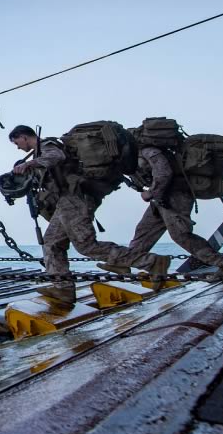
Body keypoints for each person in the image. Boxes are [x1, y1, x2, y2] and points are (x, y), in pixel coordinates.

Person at [10, 125, 171, 305]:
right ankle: (63, 288)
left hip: (75, 199)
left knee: (86, 245)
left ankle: (151, 262)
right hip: (67, 201)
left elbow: (57, 157)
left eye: (17, 142)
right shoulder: (42, 151)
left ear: (23, 136)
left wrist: (29, 164)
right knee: (52, 242)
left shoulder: (47, 145)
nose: (18, 147)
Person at [101, 138, 223, 277]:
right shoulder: (134, 154)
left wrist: (151, 192)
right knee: (144, 231)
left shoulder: (149, 151)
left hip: (176, 195)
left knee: (181, 235)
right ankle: (124, 262)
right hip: (161, 198)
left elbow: (164, 173)